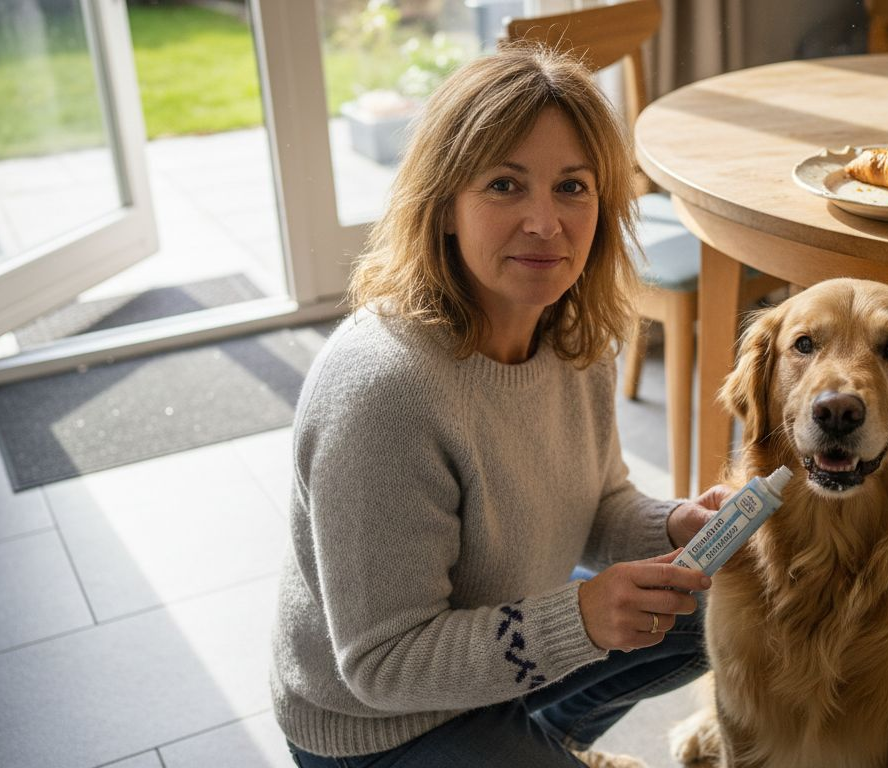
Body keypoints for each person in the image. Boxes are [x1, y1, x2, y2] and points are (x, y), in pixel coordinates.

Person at [271, 43, 726, 768]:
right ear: (445, 206)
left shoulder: (574, 337)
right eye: (505, 185)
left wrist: (675, 524)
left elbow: (597, 504)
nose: (545, 222)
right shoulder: (385, 388)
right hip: (379, 726)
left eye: (572, 187)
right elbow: (382, 664)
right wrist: (580, 619)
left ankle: (545, 741)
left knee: (713, 603)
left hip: (495, 644)